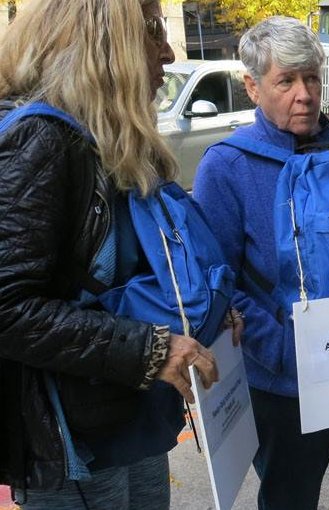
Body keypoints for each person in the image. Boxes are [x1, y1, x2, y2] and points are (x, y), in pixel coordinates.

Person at [0, 0, 230, 508]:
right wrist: (149, 349)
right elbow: (7, 307)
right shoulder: (40, 139)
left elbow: (133, 271)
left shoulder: (102, 139)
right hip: (80, 444)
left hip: (126, 413)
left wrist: (209, 309)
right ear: (102, 43)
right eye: (152, 30)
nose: (168, 52)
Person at [193, 17, 329, 510]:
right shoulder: (227, 166)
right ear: (252, 87)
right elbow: (218, 281)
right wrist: (288, 352)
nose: (304, 94)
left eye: (310, 77)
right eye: (285, 81)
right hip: (286, 386)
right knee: (290, 498)